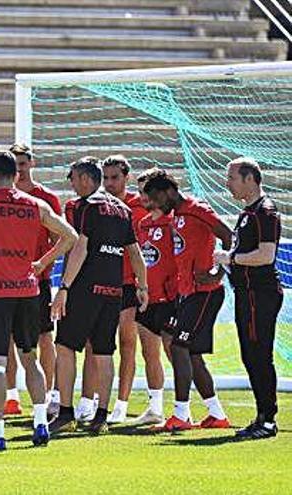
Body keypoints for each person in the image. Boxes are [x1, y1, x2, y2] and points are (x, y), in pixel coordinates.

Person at [0, 151, 77, 451]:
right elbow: (71, 236)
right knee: (31, 359)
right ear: (16, 175)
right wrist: (42, 263)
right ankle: (41, 423)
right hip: (29, 292)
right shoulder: (36, 205)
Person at [49, 156, 148, 435]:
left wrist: (64, 288)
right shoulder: (122, 209)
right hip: (113, 290)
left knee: (66, 347)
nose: (72, 186)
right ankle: (101, 416)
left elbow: (80, 247)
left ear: (83, 179)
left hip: (84, 288)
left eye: (73, 180)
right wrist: (143, 287)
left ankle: (66, 413)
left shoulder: (86, 206)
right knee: (104, 353)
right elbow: (134, 253)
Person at [143, 170, 232, 432]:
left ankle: (181, 415)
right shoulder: (178, 217)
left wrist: (219, 272)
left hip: (205, 293)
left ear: (169, 191)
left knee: (179, 347)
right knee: (191, 354)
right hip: (189, 293)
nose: (156, 205)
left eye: (157, 198)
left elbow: (227, 235)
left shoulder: (196, 209)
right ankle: (217, 415)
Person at [215, 157, 283, 439]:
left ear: (249, 179)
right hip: (247, 293)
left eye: (232, 178)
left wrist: (229, 258)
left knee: (259, 355)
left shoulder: (265, 212)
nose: (227, 183)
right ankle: (262, 416)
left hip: (259, 294)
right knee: (250, 355)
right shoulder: (248, 213)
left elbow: (266, 256)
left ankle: (267, 419)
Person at [8, 143, 63, 416]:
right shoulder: (2, 197)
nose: (19, 167)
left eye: (23, 162)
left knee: (44, 337)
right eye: (14, 162)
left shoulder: (46, 198)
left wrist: (44, 263)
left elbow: (60, 238)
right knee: (6, 339)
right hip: (5, 280)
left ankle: (48, 393)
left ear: (31, 163)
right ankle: (10, 396)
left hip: (36, 280)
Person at [100, 155, 151, 423]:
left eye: (114, 178)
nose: (109, 183)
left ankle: (121, 403)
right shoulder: (97, 206)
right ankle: (96, 400)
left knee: (128, 342)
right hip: (102, 282)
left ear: (126, 177)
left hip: (130, 284)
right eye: (105, 178)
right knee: (97, 343)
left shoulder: (139, 206)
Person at [130, 168, 176, 425]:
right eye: (139, 193)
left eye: (146, 191)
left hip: (170, 298)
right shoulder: (143, 223)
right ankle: (155, 407)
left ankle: (183, 408)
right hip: (148, 297)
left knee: (175, 354)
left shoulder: (174, 221)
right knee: (150, 353)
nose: (143, 197)